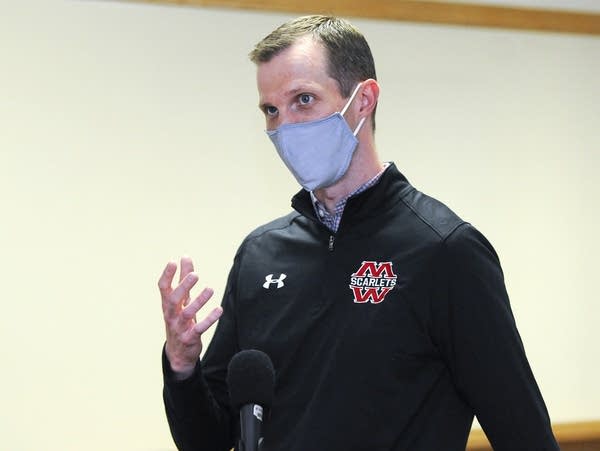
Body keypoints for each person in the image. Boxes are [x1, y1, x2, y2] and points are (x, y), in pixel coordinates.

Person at [159, 15, 559, 451]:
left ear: (363, 99)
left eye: (304, 100)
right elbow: (210, 440)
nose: (284, 127)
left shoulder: (445, 252)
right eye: (271, 110)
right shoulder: (261, 255)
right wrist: (182, 367)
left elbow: (523, 433)